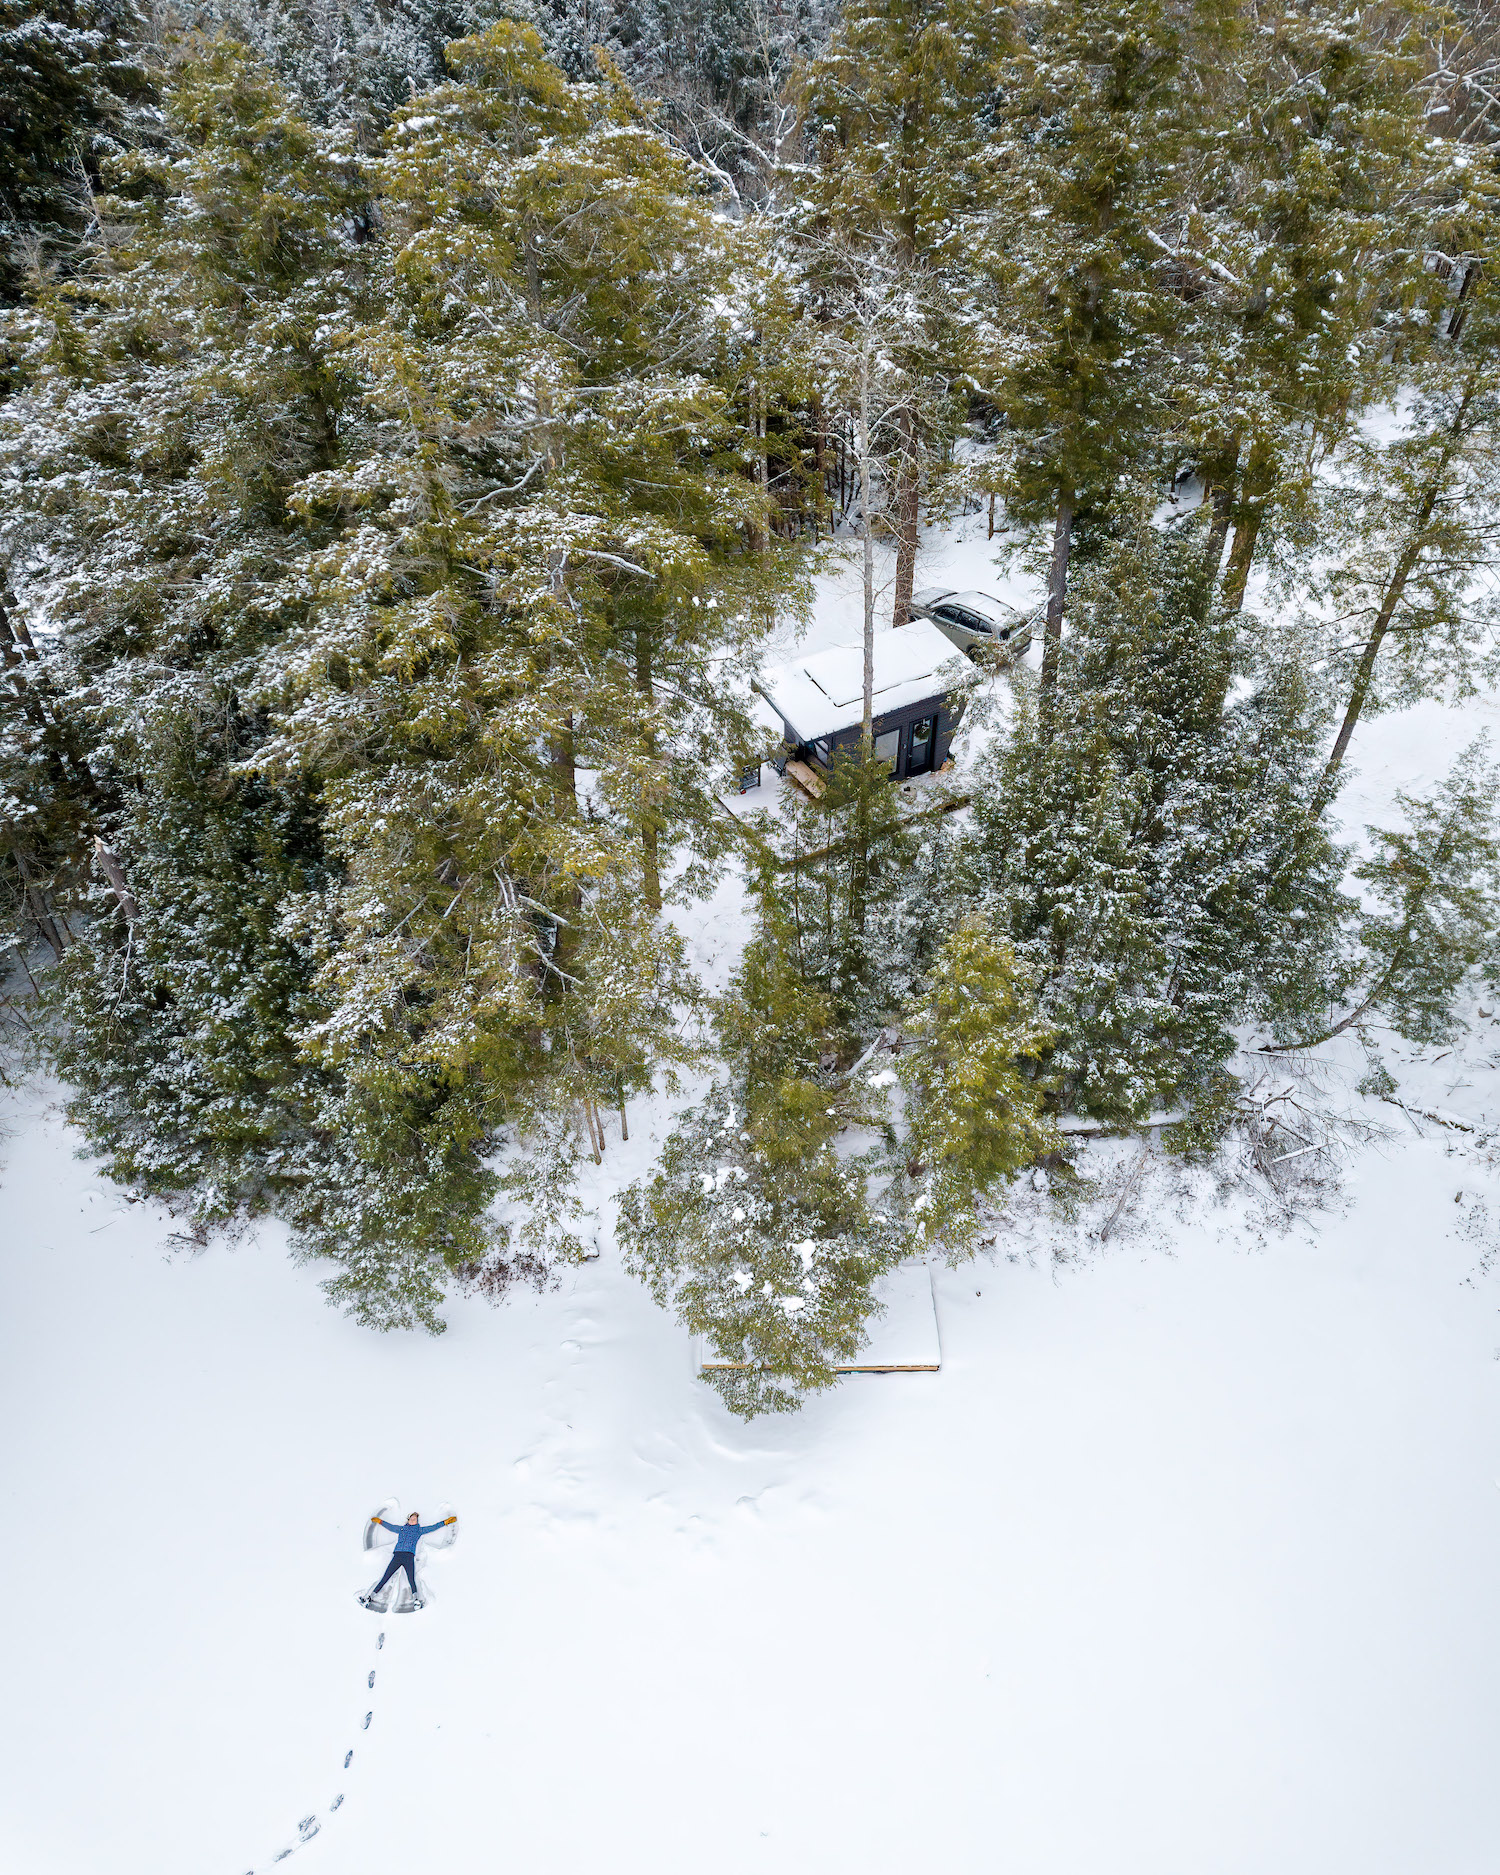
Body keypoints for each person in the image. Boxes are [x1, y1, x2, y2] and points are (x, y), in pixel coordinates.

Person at [361, 1511, 457, 1609]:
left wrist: (445, 1522)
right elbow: (390, 1526)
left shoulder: (419, 1530)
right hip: (397, 1556)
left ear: (417, 1521)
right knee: (386, 1577)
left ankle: (416, 1600)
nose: (412, 1520)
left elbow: (433, 1527)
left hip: (408, 1556)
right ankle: (369, 1597)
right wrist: (379, 1521)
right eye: (411, 1518)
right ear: (408, 1520)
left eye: (414, 1519)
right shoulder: (401, 1529)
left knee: (411, 1579)